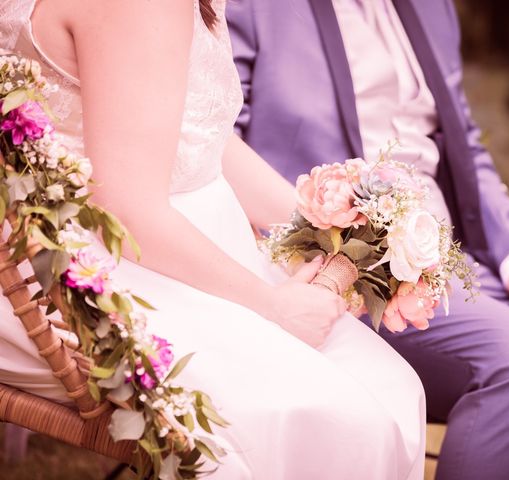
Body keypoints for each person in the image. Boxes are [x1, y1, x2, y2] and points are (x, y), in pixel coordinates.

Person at [0, 1, 427, 479]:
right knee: (341, 421)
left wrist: (332, 223)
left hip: (181, 242)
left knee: (392, 387)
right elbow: (125, 206)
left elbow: (194, 132)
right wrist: (272, 306)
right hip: (97, 267)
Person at [226, 0, 509, 478]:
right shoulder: (252, 6)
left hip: (455, 266)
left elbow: (462, 143)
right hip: (347, 279)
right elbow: (213, 145)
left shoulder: (432, 7)